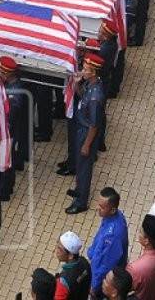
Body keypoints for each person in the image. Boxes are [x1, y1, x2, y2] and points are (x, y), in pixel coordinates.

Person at [66, 53, 105, 214]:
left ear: (93, 72)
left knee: (84, 168)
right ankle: (78, 192)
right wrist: (76, 85)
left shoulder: (96, 96)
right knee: (80, 165)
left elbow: (94, 125)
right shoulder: (90, 84)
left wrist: (87, 145)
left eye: (85, 69)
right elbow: (83, 97)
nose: (82, 71)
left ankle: (81, 201)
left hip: (86, 132)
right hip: (81, 128)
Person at [87, 187, 128, 297]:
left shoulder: (113, 236)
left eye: (102, 207)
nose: (97, 208)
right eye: (98, 204)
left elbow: (106, 265)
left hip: (102, 282)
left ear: (112, 209)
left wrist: (94, 286)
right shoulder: (114, 216)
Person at [127, 214, 155, 300]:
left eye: (140, 232)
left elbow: (126, 287)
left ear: (146, 241)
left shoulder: (135, 268)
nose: (139, 233)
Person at [54, 231, 91, 300]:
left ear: (70, 255)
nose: (56, 250)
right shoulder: (85, 262)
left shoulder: (63, 281)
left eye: (60, 249)